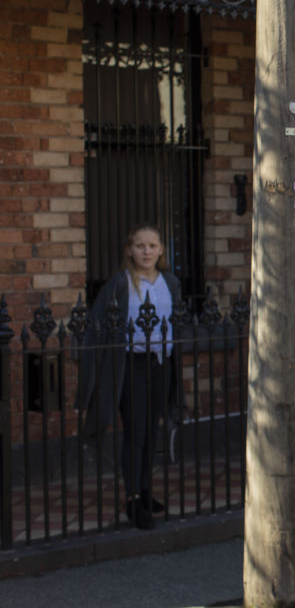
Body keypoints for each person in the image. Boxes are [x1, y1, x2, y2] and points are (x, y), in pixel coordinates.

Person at [77, 224, 181, 530]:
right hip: (131, 366)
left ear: (161, 250)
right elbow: (98, 327)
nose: (146, 251)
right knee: (135, 433)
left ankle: (146, 490)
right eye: (140, 246)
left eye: (152, 246)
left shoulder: (171, 283)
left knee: (152, 432)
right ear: (129, 250)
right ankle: (132, 498)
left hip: (161, 364)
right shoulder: (120, 284)